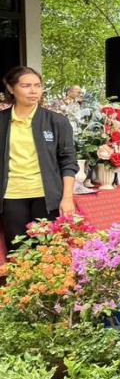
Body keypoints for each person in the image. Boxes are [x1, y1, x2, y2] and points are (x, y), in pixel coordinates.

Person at [0, 66, 76, 253]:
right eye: (26, 86)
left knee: (48, 253)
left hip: (47, 197)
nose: (33, 91)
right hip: (12, 196)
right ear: (11, 88)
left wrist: (67, 198)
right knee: (17, 253)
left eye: (38, 85)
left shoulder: (57, 121)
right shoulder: (2, 121)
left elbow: (68, 161)